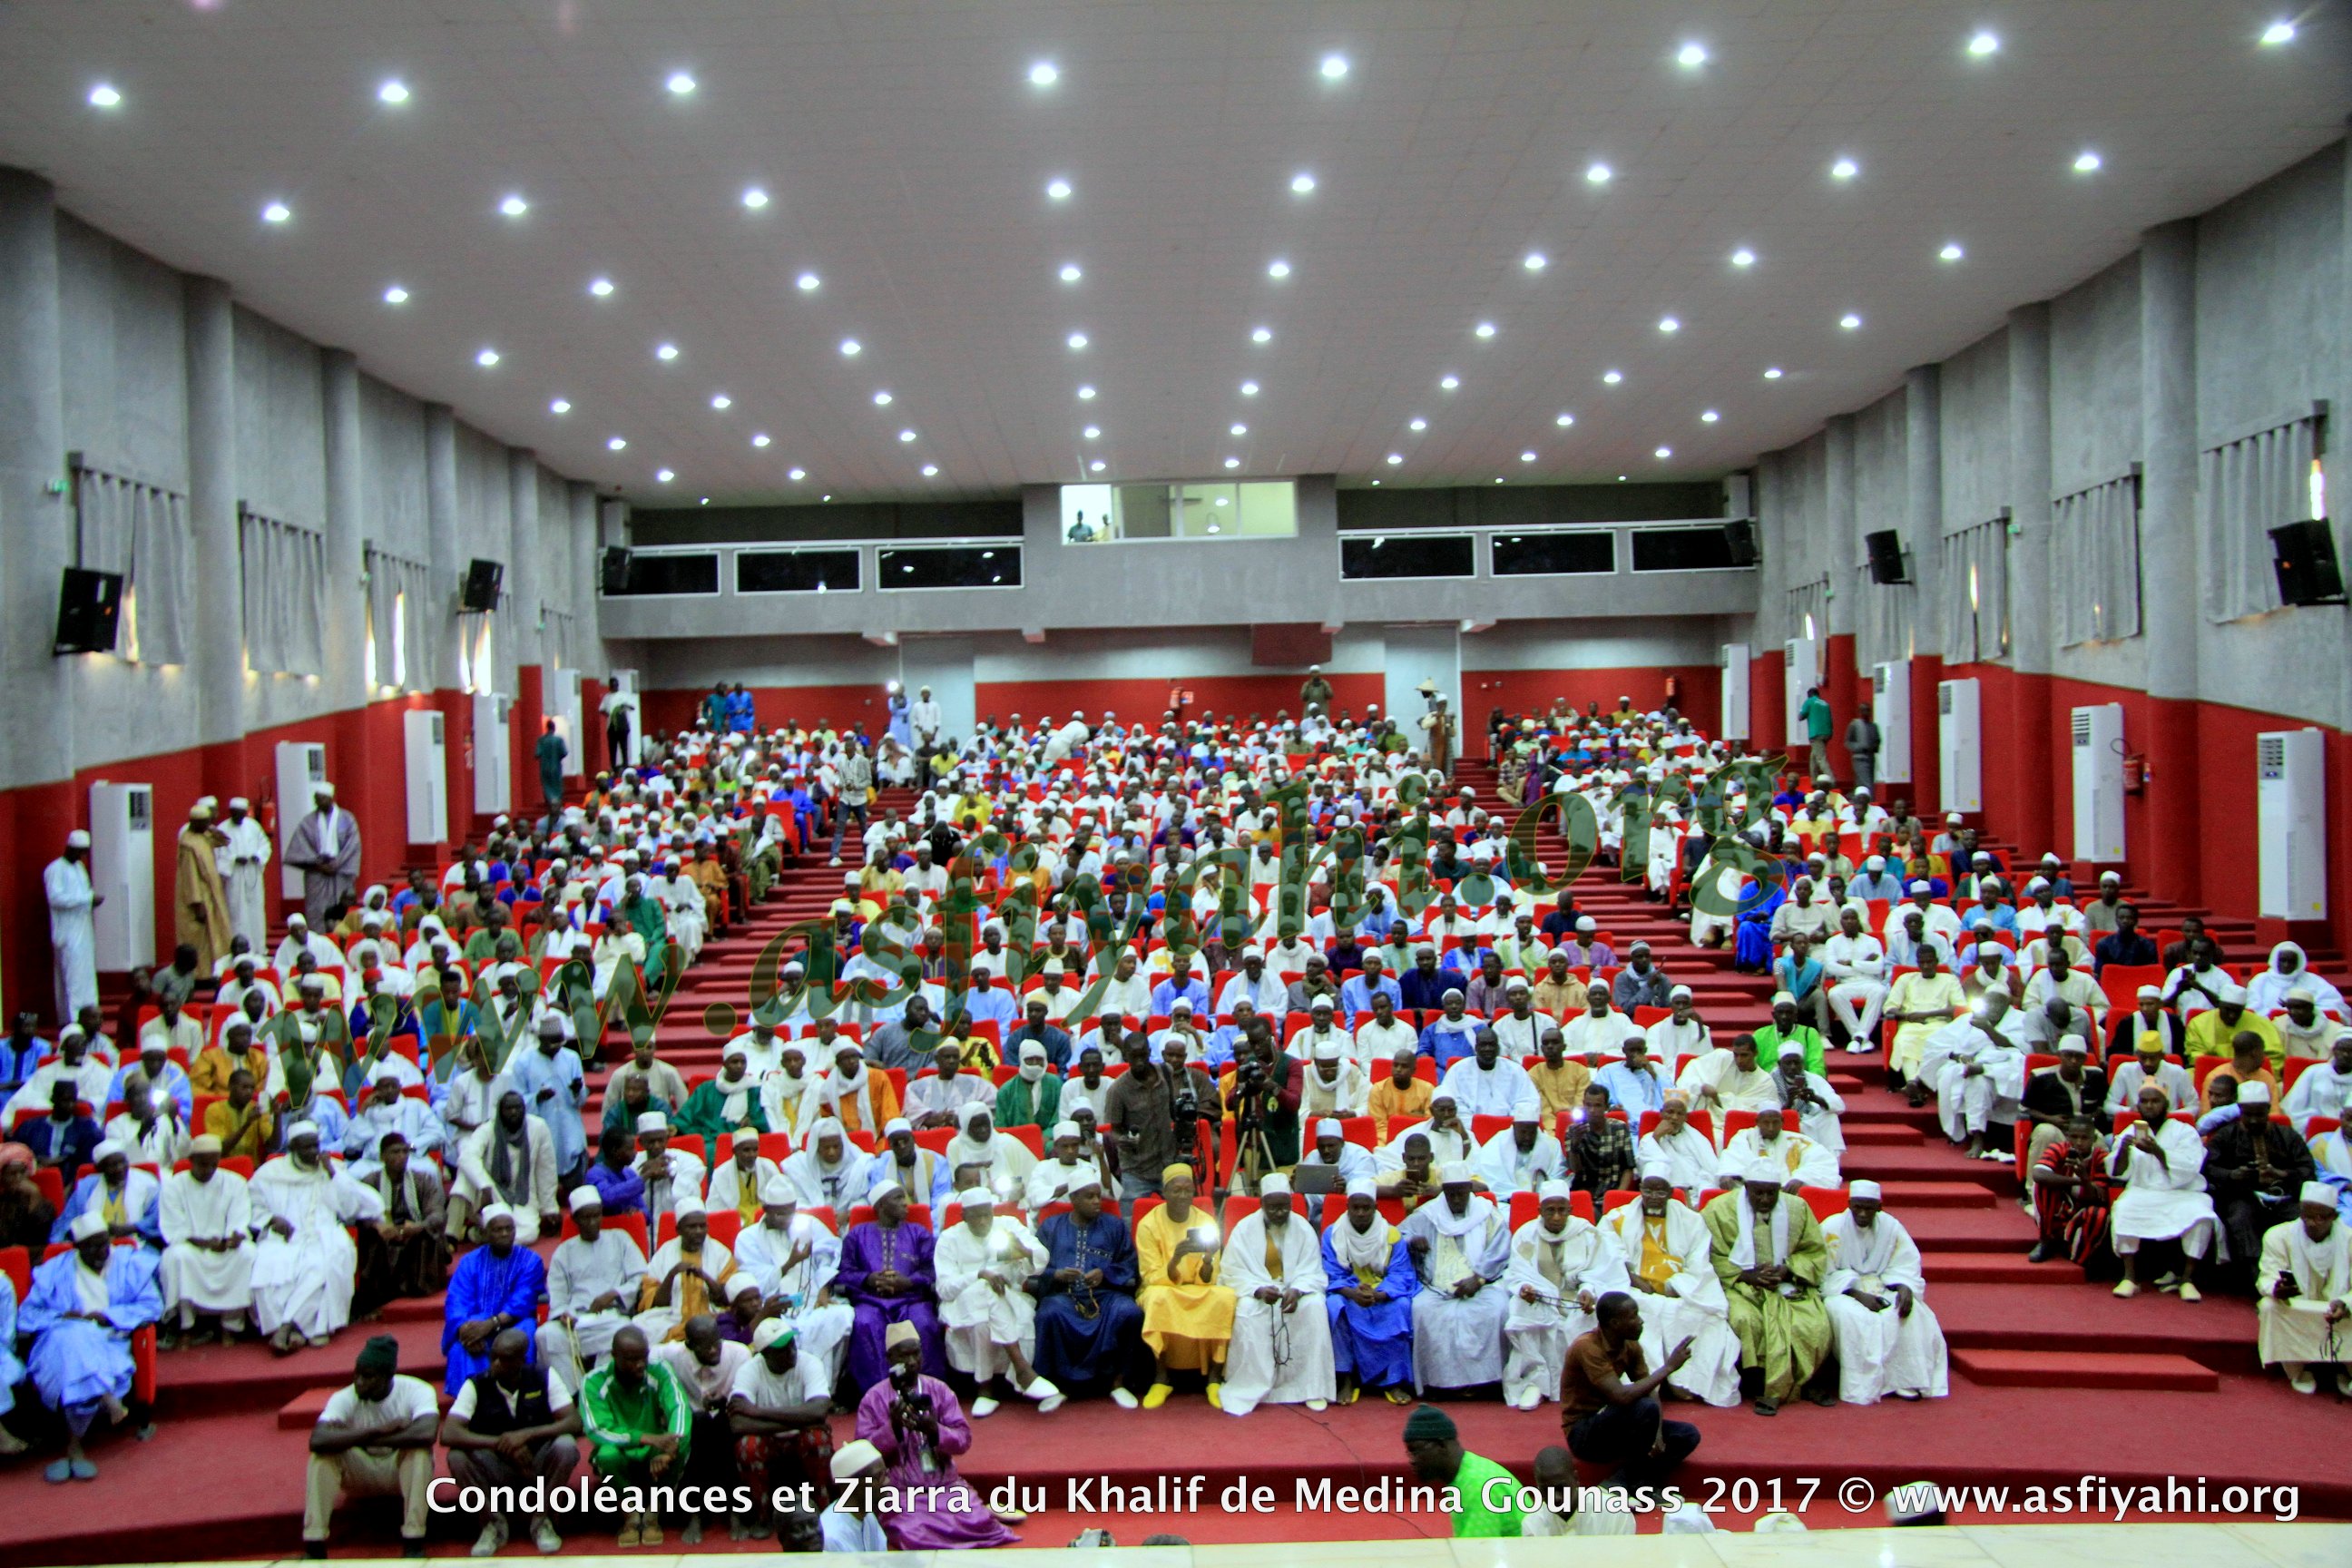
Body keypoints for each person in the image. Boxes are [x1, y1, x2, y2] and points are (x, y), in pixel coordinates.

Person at [22, 1210, 163, 1480]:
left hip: (108, 1341)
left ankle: (73, 1446)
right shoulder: (56, 1270)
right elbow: (28, 1315)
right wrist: (60, 1316)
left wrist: (107, 1316)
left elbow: (151, 1306)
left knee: (75, 1349)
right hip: (56, 1339)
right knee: (72, 1337)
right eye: (92, 1247)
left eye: (104, 1244)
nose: (101, 1252)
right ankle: (104, 1398)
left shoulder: (128, 1264)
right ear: (77, 1248)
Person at [855, 1319, 1022, 1546]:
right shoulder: (874, 1398)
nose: (912, 1362)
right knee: (910, 1533)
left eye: (916, 1354)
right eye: (904, 1356)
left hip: (944, 1485)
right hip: (900, 1491)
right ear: (890, 1359)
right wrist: (892, 1428)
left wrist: (935, 1430)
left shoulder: (939, 1390)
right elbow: (862, 1455)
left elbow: (963, 1440)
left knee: (981, 1524)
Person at [1702, 1165, 1834, 1414]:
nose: (1765, 1200)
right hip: (1740, 1285)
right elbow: (1708, 1254)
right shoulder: (1719, 1209)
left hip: (1788, 1283)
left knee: (1814, 1323)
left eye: (1771, 1193)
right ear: (1746, 1188)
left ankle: (1802, 1382)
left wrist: (1788, 1269)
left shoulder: (1797, 1208)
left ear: (1779, 1190)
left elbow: (1814, 1252)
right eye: (1758, 1193)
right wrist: (1745, 1275)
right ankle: (1761, 1384)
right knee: (1745, 1320)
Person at [440, 1326, 582, 1556]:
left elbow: (573, 1422)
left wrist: (526, 1435)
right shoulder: (477, 1384)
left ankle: (543, 1520)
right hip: (496, 1464)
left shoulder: (544, 1376)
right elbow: (449, 1433)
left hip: (536, 1461)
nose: (495, 1364)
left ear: (521, 1360)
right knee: (457, 1456)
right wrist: (502, 1444)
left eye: (504, 1359)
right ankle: (491, 1524)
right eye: (493, 1357)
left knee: (566, 1446)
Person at [252, 1122, 385, 1354]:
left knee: (323, 1266)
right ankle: (300, 1330)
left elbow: (364, 1206)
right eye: (307, 1147)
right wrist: (271, 1219)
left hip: (325, 1233)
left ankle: (286, 1328)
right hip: (284, 1237)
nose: (314, 1152)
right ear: (293, 1148)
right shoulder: (269, 1173)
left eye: (316, 1145)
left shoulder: (332, 1169)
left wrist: (333, 1174)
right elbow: (252, 1207)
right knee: (267, 1265)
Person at [1210, 1172, 1336, 1414]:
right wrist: (1257, 1290)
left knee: (1315, 1307)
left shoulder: (1303, 1228)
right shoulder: (1244, 1229)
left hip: (1295, 1291)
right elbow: (1232, 1271)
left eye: (1284, 1207)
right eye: (1273, 1208)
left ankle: (1310, 1388)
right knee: (1247, 1310)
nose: (1280, 1213)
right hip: (1258, 1291)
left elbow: (1313, 1270)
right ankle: (1251, 1385)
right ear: (1262, 1204)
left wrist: (1298, 1289)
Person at [304, 1333, 438, 1556]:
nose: (359, 1382)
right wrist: (377, 1431)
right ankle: (314, 1544)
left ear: (388, 1376)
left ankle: (413, 1542)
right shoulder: (345, 1397)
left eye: (368, 1377)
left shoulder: (417, 1390)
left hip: (398, 1471)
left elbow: (427, 1434)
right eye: (357, 1374)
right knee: (322, 1457)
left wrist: (354, 1437)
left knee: (419, 1453)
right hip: (361, 1471)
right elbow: (317, 1440)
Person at [935, 1185, 1062, 1415]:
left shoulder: (1008, 1226)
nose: (983, 1222)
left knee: (984, 1316)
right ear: (964, 1216)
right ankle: (1022, 1369)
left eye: (987, 1215)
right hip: (962, 1303)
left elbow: (1041, 1259)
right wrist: (979, 1275)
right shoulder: (949, 1238)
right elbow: (944, 1289)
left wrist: (1025, 1251)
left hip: (1008, 1297)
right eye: (976, 1217)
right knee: (984, 1292)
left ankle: (985, 1389)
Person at [1560, 1289, 1701, 1492]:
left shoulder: (1631, 1345)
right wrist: (1669, 1368)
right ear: (1615, 1323)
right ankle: (1633, 1482)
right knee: (1644, 1407)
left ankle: (1629, 1481)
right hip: (1584, 1434)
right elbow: (1621, 1396)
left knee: (1687, 1435)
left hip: (1615, 1427)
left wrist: (1657, 1435)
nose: (1641, 1321)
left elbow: (1650, 1389)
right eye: (1634, 1316)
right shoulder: (1587, 1347)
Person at [1819, 1181, 1947, 1404]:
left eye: (1868, 1208)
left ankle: (1905, 1380)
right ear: (1849, 1204)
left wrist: (1904, 1286)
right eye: (1857, 1207)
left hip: (1883, 1286)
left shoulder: (1892, 1228)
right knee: (1855, 1317)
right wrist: (1857, 1294)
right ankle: (1864, 1385)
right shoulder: (1832, 1227)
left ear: (1879, 1207)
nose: (1862, 1213)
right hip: (1842, 1291)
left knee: (1910, 1314)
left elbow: (1906, 1264)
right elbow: (1822, 1274)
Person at [1502, 1177, 1624, 1410]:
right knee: (1520, 1307)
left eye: (1561, 1210)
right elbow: (1517, 1273)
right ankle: (1535, 1382)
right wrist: (1524, 1288)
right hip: (1542, 1300)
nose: (1557, 1217)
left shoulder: (1588, 1234)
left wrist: (1588, 1290)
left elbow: (1603, 1271)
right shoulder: (1526, 1235)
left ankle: (1592, 1385)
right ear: (1540, 1211)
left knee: (1598, 1313)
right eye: (1550, 1211)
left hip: (1577, 1300)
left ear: (1570, 1209)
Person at [1028, 1175, 1145, 1406]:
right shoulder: (1051, 1227)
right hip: (1063, 1295)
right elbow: (1034, 1266)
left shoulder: (1114, 1225)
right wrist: (1056, 1274)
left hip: (1106, 1294)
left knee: (1129, 1312)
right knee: (1049, 1314)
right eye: (1089, 1197)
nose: (1096, 1202)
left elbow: (1129, 1263)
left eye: (1098, 1196)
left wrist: (1105, 1273)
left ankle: (1118, 1383)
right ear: (1073, 1198)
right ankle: (1055, 1387)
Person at [1399, 1162, 1508, 1395]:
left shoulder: (1488, 1214)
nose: (1456, 1199)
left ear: (1469, 1189)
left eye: (1461, 1193)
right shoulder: (1428, 1214)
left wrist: (1478, 1279)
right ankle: (1438, 1384)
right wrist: (1411, 1241)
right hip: (1436, 1288)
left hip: (1483, 1284)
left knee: (1497, 1309)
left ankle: (1488, 1384)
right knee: (1421, 1309)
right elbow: (1398, 1233)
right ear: (1444, 1191)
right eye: (1451, 1194)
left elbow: (1499, 1252)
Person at [580, 1326, 693, 1548]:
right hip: (620, 1447)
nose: (640, 1364)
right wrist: (646, 1438)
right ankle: (630, 1517)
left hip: (656, 1450)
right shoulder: (594, 1381)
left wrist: (671, 1446)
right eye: (632, 1360)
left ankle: (653, 1514)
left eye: (644, 1357)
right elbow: (597, 1429)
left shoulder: (660, 1370)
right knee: (606, 1456)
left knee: (680, 1444)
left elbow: (679, 1408)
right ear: (614, 1356)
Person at [1134, 1163, 1233, 1406]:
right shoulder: (1148, 1224)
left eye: (1188, 1190)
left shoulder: (1205, 1221)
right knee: (1158, 1299)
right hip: (1163, 1287)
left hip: (1199, 1287)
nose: (1182, 1196)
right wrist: (1176, 1259)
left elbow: (1210, 1277)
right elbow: (1150, 1276)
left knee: (1225, 1297)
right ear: (1165, 1193)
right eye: (1176, 1190)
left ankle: (1214, 1378)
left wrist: (1208, 1258)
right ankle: (1161, 1378)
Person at [728, 1318, 837, 1536]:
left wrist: (757, 1412)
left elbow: (818, 1411)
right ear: (764, 1354)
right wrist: (801, 1419)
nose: (791, 1352)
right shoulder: (749, 1371)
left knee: (817, 1438)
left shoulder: (810, 1362)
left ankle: (824, 1510)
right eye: (782, 1350)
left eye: (792, 1345)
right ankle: (762, 1516)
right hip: (770, 1441)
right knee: (748, 1446)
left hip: (800, 1438)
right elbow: (737, 1424)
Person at [2108, 1085, 2219, 1300]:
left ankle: (2187, 1279)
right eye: (2144, 1101)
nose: (2149, 1106)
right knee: (2124, 1208)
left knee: (2201, 1213)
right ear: (2138, 1106)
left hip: (2182, 1192)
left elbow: (2191, 1167)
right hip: (2143, 1191)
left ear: (2166, 1105)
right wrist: (2122, 1150)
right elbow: (2117, 1172)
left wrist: (2158, 1152)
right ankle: (2130, 1278)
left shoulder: (2185, 1131)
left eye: (2155, 1101)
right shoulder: (2129, 1132)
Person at [1320, 1176, 1418, 1406]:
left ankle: (1394, 1381)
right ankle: (1346, 1379)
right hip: (1349, 1292)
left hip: (1383, 1293)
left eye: (1366, 1208)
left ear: (1375, 1207)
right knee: (1335, 1306)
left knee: (1401, 1306)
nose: (1361, 1213)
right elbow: (1330, 1273)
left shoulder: (1391, 1235)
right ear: (1348, 1207)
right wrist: (1353, 1293)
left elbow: (1401, 1273)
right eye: (1356, 1208)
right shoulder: (1333, 1235)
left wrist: (1380, 1294)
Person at [2204, 1081, 2316, 1281]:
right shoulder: (2226, 1136)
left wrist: (2282, 1174)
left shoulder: (2287, 1136)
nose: (2254, 1120)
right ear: (2240, 1111)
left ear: (2268, 1110)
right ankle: (2257, 1278)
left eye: (2259, 1115)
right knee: (2241, 1216)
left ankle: (2300, 1276)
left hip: (2285, 1197)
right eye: (2248, 1115)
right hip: (2243, 1197)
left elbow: (2308, 1170)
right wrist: (2232, 1175)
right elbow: (2208, 1168)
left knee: (2304, 1219)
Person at [540, 1187, 649, 1389]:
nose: (592, 1222)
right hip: (577, 1320)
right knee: (545, 1335)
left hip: (612, 1317)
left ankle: (599, 1391)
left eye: (596, 1216)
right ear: (575, 1219)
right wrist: (563, 1314)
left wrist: (615, 1294)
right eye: (586, 1217)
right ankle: (574, 1393)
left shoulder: (620, 1239)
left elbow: (641, 1277)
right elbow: (557, 1293)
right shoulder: (564, 1251)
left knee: (624, 1336)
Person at [838, 1181, 943, 1389]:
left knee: (924, 1324)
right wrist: (868, 1279)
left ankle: (927, 1391)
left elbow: (932, 1272)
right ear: (881, 1206)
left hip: (912, 1300)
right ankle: (877, 1393)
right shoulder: (857, 1235)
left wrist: (908, 1282)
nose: (905, 1203)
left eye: (904, 1197)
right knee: (864, 1324)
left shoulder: (919, 1233)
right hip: (871, 1301)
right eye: (898, 1198)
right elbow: (844, 1274)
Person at [2257, 1183, 2351, 1396]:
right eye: (2307, 1216)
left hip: (2339, 1307)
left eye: (2320, 1217)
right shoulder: (2278, 1235)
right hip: (2298, 1306)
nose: (2312, 1223)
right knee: (2269, 1306)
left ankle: (2346, 1369)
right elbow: (2267, 1276)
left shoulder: (2350, 1239)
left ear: (2334, 1216)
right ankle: (2299, 1370)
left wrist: (2346, 1302)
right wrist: (2276, 1289)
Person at [444, 1205, 550, 1393]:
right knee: (459, 1349)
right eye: (498, 1230)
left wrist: (491, 1324)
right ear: (485, 1233)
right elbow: (457, 1301)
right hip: (476, 1326)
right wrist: (465, 1331)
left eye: (509, 1229)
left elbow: (523, 1300)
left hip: (513, 1324)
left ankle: (523, 1392)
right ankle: (470, 1401)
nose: (504, 1234)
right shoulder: (470, 1262)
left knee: (528, 1329)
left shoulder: (530, 1260)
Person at [352, 1130, 452, 1318]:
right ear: (382, 1156)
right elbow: (358, 1214)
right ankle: (377, 1300)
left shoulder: (423, 1180)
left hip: (415, 1231)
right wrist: (377, 1226)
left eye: (405, 1151)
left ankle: (417, 1288)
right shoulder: (370, 1181)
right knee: (373, 1240)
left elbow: (437, 1213)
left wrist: (419, 1226)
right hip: (384, 1233)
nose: (402, 1156)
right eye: (395, 1152)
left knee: (426, 1237)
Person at [451, 1090, 562, 1244]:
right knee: (464, 1178)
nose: (513, 1112)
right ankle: (450, 1237)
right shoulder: (488, 1128)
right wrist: (485, 1186)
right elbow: (466, 1157)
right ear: (500, 1111)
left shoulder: (538, 1127)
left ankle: (480, 1233)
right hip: (491, 1192)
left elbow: (546, 1170)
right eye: (508, 1109)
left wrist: (549, 1208)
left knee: (528, 1234)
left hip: (523, 1195)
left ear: (524, 1108)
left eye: (517, 1108)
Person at [1402, 1403, 1522, 1538]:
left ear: (1441, 1446)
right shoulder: (1466, 1469)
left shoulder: (1478, 1488)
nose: (1412, 1460)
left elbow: (1477, 1549)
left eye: (1415, 1451)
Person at [45, 829, 102, 1028]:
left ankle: (89, 1016)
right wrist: (87, 899)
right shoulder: (55, 869)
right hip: (67, 933)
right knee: (72, 977)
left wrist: (90, 899)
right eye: (80, 851)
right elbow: (55, 898)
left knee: (85, 976)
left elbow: (85, 893)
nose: (82, 856)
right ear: (70, 848)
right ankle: (73, 1020)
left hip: (83, 930)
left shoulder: (80, 868)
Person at [287, 783, 362, 925]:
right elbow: (300, 847)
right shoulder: (308, 822)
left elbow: (353, 845)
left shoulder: (347, 819)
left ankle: (341, 934)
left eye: (321, 799)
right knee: (316, 910)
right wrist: (319, 865)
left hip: (341, 870)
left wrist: (336, 864)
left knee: (342, 907)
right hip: (317, 871)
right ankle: (318, 935)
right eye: (316, 799)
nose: (317, 802)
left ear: (330, 798)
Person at [1521, 1444, 1635, 1537]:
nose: (1556, 1498)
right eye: (1546, 1490)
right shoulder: (1532, 1526)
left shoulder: (1615, 1514)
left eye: (1561, 1488)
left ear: (1576, 1479)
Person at [174, 799, 233, 972]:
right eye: (206, 822)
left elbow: (225, 841)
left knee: (215, 936)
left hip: (210, 896)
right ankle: (201, 975)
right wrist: (197, 903)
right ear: (195, 823)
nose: (209, 824)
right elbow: (190, 877)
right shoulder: (188, 844)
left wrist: (211, 829)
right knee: (200, 940)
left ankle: (214, 971)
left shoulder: (204, 836)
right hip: (198, 900)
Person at [535, 719, 569, 825]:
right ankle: (557, 807)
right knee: (557, 787)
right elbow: (564, 752)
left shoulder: (541, 740)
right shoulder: (559, 740)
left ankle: (550, 806)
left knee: (547, 786)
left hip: (545, 767)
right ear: (554, 728)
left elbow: (537, 754)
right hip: (556, 767)